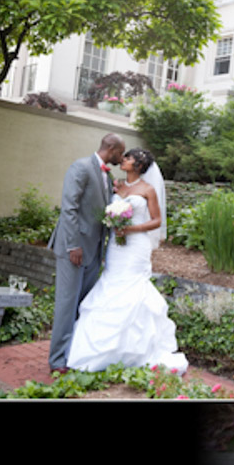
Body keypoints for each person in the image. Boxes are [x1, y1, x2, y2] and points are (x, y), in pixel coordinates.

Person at [66, 148, 189, 374]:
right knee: (111, 282)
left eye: (128, 158)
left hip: (136, 246)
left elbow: (157, 221)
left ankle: (134, 349)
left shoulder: (148, 189)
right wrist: (113, 220)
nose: (123, 160)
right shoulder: (118, 186)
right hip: (116, 246)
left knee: (132, 287)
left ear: (139, 165)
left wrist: (131, 229)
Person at [48, 134, 125, 374]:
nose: (122, 157)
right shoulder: (80, 167)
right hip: (74, 249)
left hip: (94, 250)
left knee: (83, 304)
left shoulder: (107, 176)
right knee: (67, 304)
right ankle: (57, 360)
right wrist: (73, 245)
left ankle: (74, 354)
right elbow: (69, 207)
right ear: (111, 148)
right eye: (120, 152)